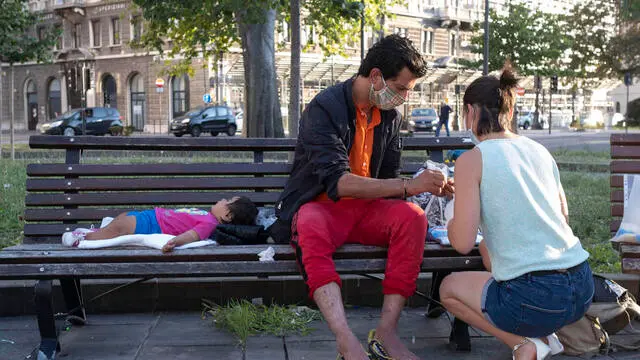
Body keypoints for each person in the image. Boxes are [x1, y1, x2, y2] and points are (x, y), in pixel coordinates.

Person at [270, 34, 453, 360]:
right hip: (323, 207)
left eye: (409, 91)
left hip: (366, 212)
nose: (404, 98)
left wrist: (429, 187)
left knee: (412, 217)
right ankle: (344, 339)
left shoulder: (390, 118)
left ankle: (385, 334)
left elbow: (389, 183)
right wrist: (410, 186)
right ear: (376, 76)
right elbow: (338, 184)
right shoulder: (324, 108)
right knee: (309, 222)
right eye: (401, 88)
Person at [439, 65, 593, 360]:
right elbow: (562, 218)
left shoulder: (472, 160)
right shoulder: (540, 150)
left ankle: (524, 344)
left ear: (469, 112)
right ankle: (545, 335)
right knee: (488, 252)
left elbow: (460, 242)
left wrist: (450, 222)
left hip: (534, 297)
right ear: (508, 111)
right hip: (581, 286)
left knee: (448, 288)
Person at [62, 196, 258, 253]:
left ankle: (84, 239)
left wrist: (175, 242)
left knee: (118, 228)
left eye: (228, 200)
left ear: (228, 215)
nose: (222, 199)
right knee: (118, 222)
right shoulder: (206, 215)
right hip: (148, 217)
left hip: (149, 226)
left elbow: (192, 236)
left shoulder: (209, 224)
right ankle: (97, 232)